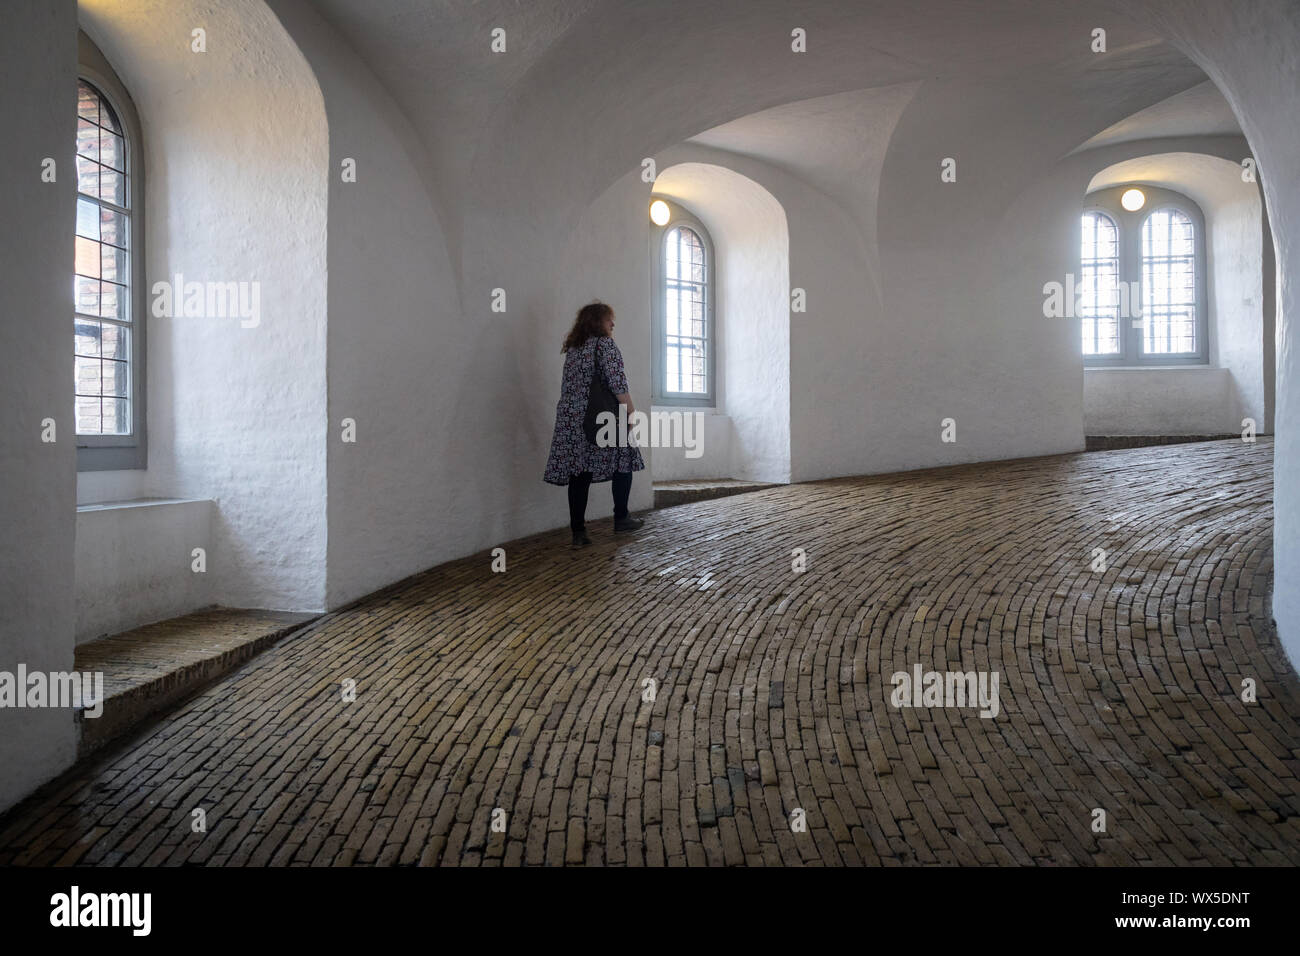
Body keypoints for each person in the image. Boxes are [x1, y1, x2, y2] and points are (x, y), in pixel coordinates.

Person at [544, 301, 646, 546]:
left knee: (581, 472)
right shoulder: (604, 344)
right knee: (624, 461)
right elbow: (617, 383)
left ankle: (578, 533)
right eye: (609, 319)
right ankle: (621, 518)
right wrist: (631, 412)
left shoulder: (574, 348)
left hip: (572, 419)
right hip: (602, 416)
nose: (613, 324)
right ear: (598, 321)